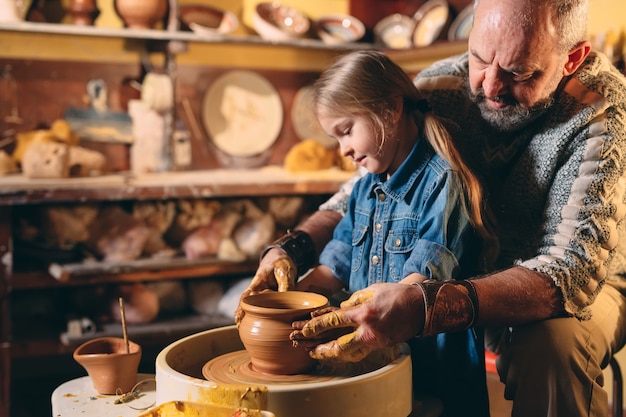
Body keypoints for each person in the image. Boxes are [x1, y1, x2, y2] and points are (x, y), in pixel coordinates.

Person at [239, 0, 626, 416]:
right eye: (479, 57)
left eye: (518, 72)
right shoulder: (441, 86)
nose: (490, 86)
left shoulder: (604, 111)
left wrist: (427, 306)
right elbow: (366, 189)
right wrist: (291, 250)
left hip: (580, 284)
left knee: (549, 350)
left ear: (572, 58)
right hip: (471, 268)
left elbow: (570, 272)